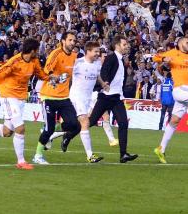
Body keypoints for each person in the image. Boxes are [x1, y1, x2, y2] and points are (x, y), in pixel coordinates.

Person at [0, 38, 50, 170]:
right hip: (8, 96)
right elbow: (2, 72)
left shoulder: (34, 61)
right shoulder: (15, 61)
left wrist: (51, 78)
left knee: (7, 132)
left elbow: (40, 74)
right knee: (20, 128)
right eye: (37, 50)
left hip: (20, 97)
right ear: (32, 50)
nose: (38, 52)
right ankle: (21, 161)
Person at [86, 35, 139, 163]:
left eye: (127, 44)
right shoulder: (111, 57)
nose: (127, 46)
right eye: (124, 44)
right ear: (117, 46)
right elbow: (104, 72)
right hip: (106, 96)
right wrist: (106, 82)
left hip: (116, 98)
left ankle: (123, 154)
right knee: (90, 122)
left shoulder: (121, 60)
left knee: (123, 123)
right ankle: (67, 134)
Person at [33, 31, 81, 165]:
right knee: (49, 129)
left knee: (75, 126)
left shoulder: (75, 57)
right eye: (70, 40)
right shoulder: (56, 54)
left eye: (74, 40)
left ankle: (54, 132)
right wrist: (57, 78)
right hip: (49, 96)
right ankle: (38, 155)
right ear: (63, 41)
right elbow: (46, 72)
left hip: (64, 97)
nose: (73, 43)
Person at [63, 41, 105, 162]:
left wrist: (103, 84)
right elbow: (67, 74)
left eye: (98, 51)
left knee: (76, 125)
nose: (98, 54)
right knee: (85, 122)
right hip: (77, 96)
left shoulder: (97, 63)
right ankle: (90, 155)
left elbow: (97, 76)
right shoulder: (78, 63)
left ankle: (51, 135)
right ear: (88, 52)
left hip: (88, 98)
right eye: (96, 51)